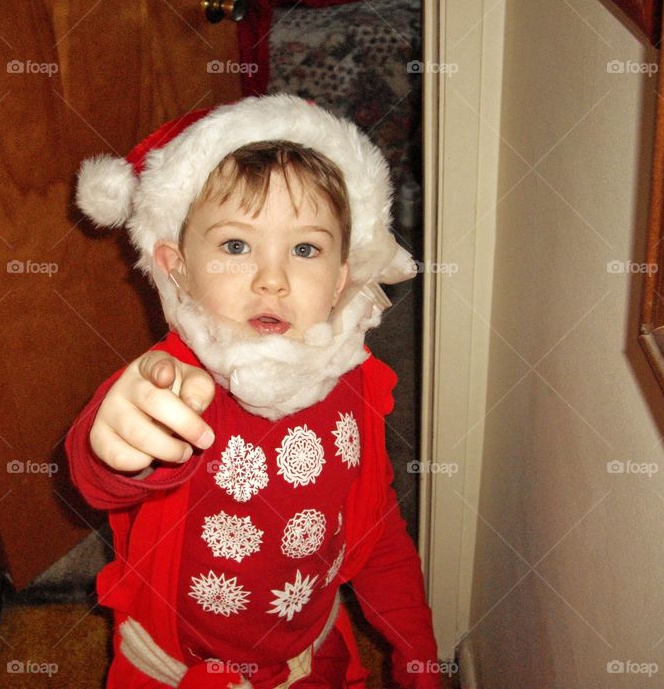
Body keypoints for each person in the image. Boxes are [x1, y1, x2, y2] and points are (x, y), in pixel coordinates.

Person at [66, 94, 441, 688]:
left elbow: (378, 531)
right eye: (236, 246)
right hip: (176, 670)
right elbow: (104, 468)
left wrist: (419, 655)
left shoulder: (355, 383)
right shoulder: (173, 384)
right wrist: (110, 443)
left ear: (343, 273)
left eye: (305, 248)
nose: (272, 279)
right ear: (177, 266)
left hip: (310, 658)